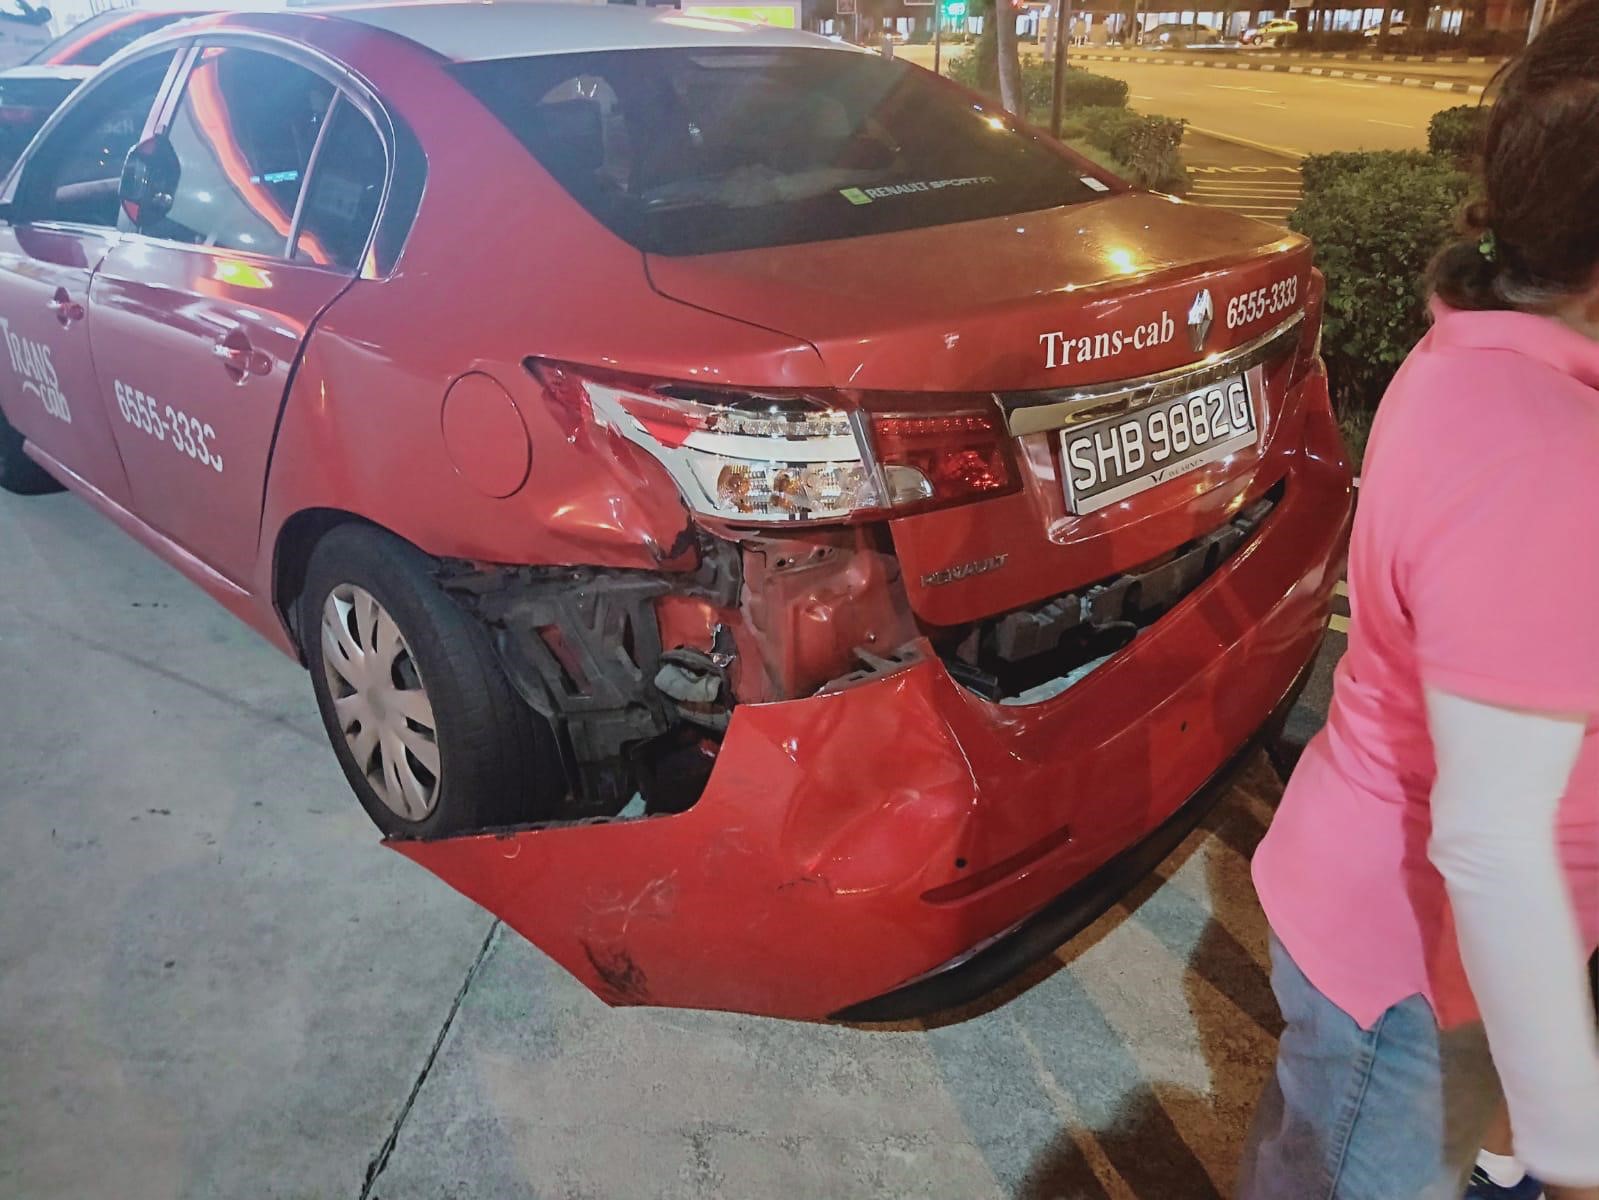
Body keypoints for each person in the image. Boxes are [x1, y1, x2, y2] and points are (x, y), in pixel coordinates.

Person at [1236, 6, 1599, 1199]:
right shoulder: (1535, 444)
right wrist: (1576, 1146)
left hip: (1425, 948)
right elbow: (1490, 839)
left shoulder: (1494, 357)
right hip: (1415, 970)